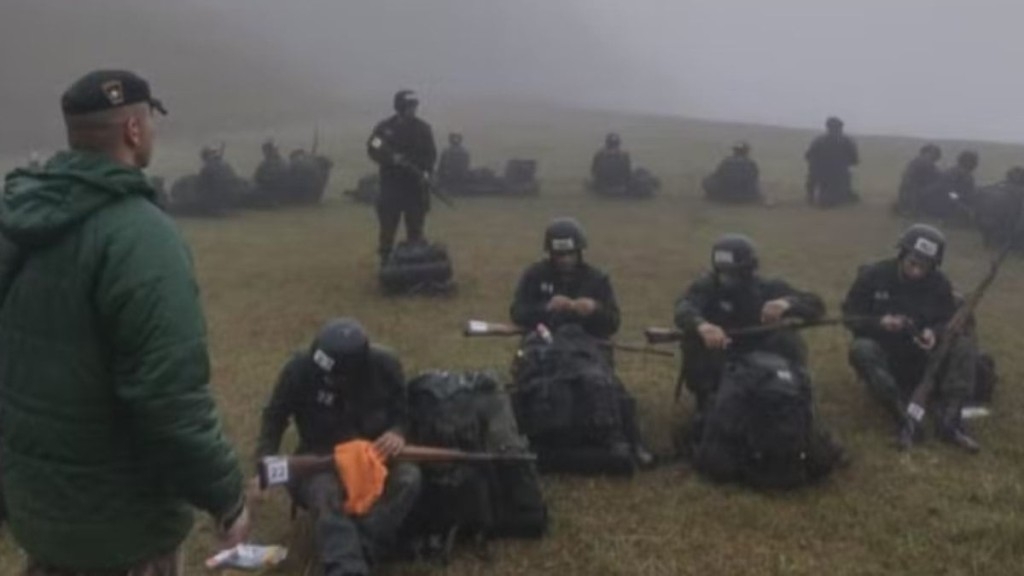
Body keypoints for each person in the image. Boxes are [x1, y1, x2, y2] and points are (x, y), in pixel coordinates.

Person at [0, 69, 248, 575]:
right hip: (122, 531)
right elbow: (170, 398)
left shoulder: (21, 219)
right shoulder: (140, 235)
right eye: (150, 121)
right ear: (134, 130)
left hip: (41, 512)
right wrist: (226, 494)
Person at [255, 318, 421, 576]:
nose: (326, 379)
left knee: (408, 479)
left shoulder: (386, 366)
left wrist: (397, 432)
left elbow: (403, 410)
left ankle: (360, 548)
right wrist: (264, 463)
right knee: (324, 492)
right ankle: (347, 568)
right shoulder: (299, 369)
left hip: (374, 458)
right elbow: (275, 416)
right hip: (319, 458)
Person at [510, 217, 653, 467]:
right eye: (559, 254)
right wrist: (546, 308)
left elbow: (612, 322)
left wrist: (594, 309)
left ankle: (632, 439)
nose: (565, 259)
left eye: (570, 254)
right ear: (550, 253)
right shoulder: (535, 275)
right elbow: (518, 312)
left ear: (579, 252)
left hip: (588, 344)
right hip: (545, 342)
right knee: (531, 381)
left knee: (607, 384)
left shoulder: (596, 279)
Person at [842, 224, 980, 451]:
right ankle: (901, 416)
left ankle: (951, 419)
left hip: (923, 358)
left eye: (924, 266)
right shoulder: (873, 275)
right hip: (885, 356)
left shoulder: (940, 284)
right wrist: (880, 323)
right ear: (903, 254)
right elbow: (850, 316)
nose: (917, 271)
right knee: (861, 348)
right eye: (913, 263)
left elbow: (947, 320)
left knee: (963, 345)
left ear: (933, 266)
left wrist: (933, 333)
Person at [673, 234, 825, 418]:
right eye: (722, 272)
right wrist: (702, 326)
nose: (727, 279)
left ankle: (795, 395)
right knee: (695, 346)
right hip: (722, 350)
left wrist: (788, 303)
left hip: (761, 349)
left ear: (749, 269)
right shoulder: (707, 286)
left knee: (788, 340)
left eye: (734, 273)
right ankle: (707, 405)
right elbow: (685, 307)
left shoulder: (768, 287)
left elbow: (816, 305)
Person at [367, 90, 437, 264]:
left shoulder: (423, 129)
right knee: (388, 228)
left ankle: (414, 264)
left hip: (414, 187)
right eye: (409, 106)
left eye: (414, 106)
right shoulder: (384, 128)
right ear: (399, 107)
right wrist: (391, 158)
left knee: (415, 229)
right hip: (391, 187)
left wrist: (427, 174)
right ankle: (385, 261)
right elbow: (373, 146)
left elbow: (430, 156)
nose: (413, 110)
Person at [805, 116, 859, 207]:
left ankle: (811, 195)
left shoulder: (818, 141)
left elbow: (807, 156)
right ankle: (846, 192)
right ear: (840, 128)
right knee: (846, 177)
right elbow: (855, 161)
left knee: (813, 171)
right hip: (838, 177)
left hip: (821, 177)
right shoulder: (847, 141)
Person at [921, 150, 979, 225]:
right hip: (940, 204)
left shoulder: (960, 173)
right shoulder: (956, 173)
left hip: (941, 202)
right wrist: (964, 207)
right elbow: (950, 193)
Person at [894, 144, 942, 215]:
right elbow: (938, 177)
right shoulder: (925, 162)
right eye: (933, 153)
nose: (935, 156)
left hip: (908, 193)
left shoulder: (915, 161)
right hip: (915, 194)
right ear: (927, 153)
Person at [252, 139, 288, 205]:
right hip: (282, 194)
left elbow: (256, 179)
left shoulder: (265, 164)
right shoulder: (285, 162)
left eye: (265, 150)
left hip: (269, 195)